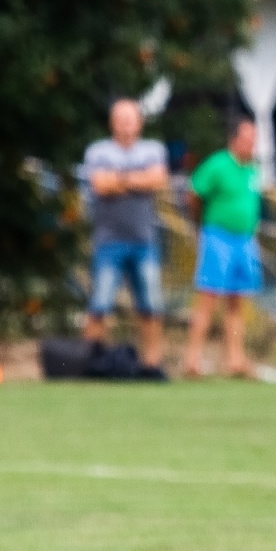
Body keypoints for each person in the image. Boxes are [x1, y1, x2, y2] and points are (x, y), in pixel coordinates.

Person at [82, 98, 169, 372]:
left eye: (130, 120)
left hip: (144, 240)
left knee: (151, 305)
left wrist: (118, 179)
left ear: (139, 123)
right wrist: (137, 179)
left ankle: (151, 364)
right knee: (100, 304)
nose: (126, 126)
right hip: (108, 241)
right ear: (112, 123)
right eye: (121, 120)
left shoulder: (153, 149)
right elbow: (100, 184)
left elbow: (157, 179)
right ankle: (91, 363)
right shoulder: (98, 151)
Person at [182, 119, 263, 378]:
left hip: (245, 240)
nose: (251, 145)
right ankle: (192, 360)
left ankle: (235, 360)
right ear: (234, 140)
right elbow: (194, 193)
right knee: (207, 298)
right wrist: (199, 225)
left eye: (254, 140)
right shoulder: (218, 164)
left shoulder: (252, 169)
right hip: (218, 237)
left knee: (236, 301)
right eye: (247, 140)